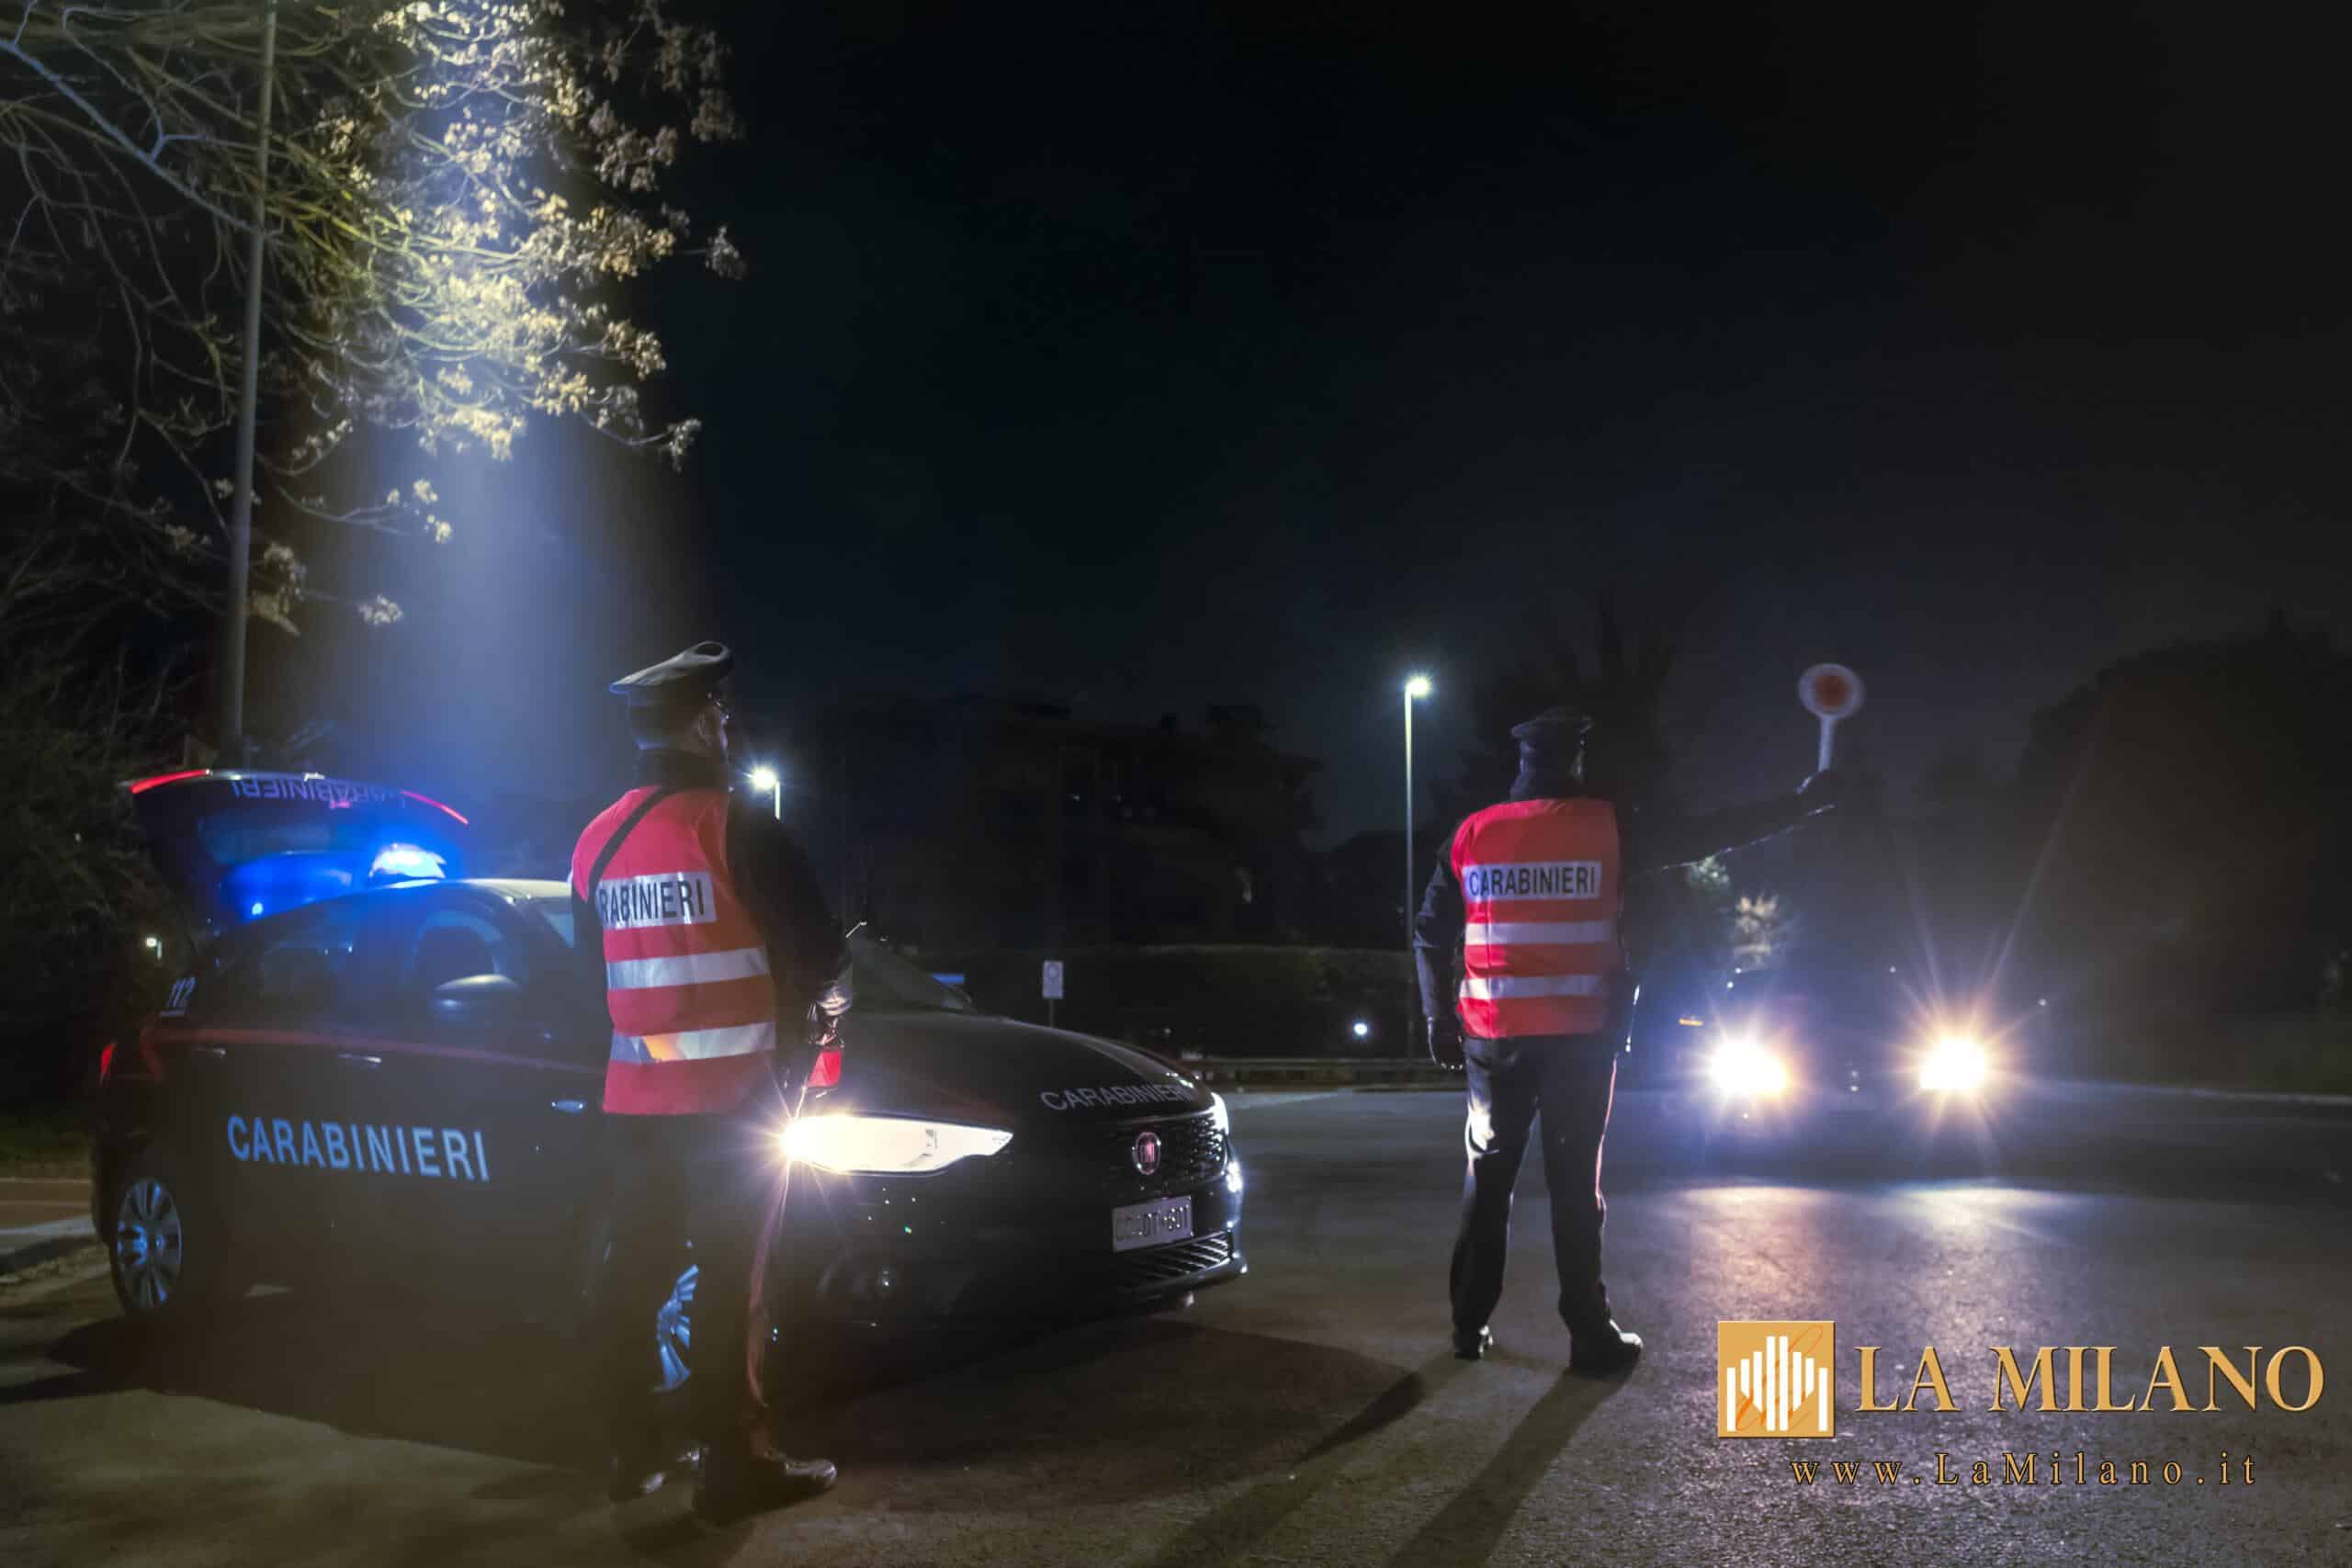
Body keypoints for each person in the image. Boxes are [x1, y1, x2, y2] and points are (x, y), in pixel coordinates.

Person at [1413, 706, 1840, 1373]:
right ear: (1575, 760)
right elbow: (1705, 834)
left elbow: (1429, 931)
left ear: (1522, 764)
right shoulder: (1606, 825)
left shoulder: (1472, 833)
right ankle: (1589, 1333)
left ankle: (1468, 1325)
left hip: (1494, 1041)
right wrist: (1797, 806)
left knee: (1488, 1180)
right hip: (1581, 1038)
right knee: (1575, 1186)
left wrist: (1438, 1019)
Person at [571, 640, 850, 1519]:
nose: (730, 729)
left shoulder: (597, 842)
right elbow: (821, 952)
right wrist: (823, 1000)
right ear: (698, 721)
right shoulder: (736, 826)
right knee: (733, 1284)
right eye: (723, 714)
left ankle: (629, 1448)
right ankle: (734, 1465)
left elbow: (593, 981)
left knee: (632, 1273)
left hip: (633, 1106)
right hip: (732, 1105)